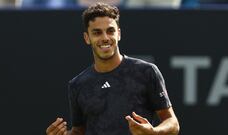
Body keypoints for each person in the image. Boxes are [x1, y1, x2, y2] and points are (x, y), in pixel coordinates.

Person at [46, 2, 180, 135]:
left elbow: (172, 122)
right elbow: (78, 131)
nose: (105, 38)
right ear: (87, 38)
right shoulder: (77, 85)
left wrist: (154, 132)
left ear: (119, 34)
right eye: (97, 33)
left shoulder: (147, 72)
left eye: (110, 31)